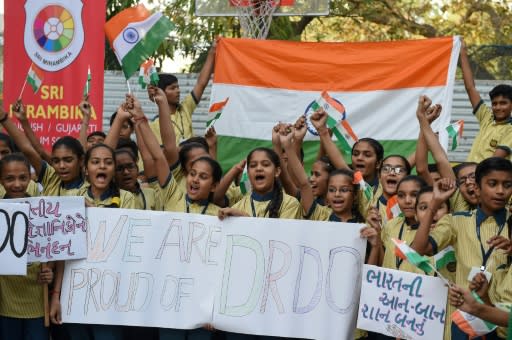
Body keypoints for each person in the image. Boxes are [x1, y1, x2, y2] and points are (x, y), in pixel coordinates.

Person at [412, 157, 512, 340]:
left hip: (504, 324)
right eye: (492, 183)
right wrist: (434, 204)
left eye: (507, 185)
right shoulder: (456, 220)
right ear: (477, 187)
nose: (500, 191)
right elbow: (419, 249)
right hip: (466, 321)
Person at [149, 39, 217, 144]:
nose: (178, 91)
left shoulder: (185, 108)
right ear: (160, 93)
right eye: (172, 88)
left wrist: (212, 51)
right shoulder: (155, 124)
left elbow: (201, 83)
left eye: (178, 87)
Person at [460, 40, 512, 162]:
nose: (498, 107)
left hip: (485, 178)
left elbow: (493, 162)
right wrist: (462, 52)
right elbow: (470, 88)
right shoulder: (487, 118)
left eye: (503, 103)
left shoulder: (510, 129)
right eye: (494, 103)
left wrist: (474, 177)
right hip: (471, 177)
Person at [218, 147, 302, 220]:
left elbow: (280, 237)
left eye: (265, 165)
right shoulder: (236, 208)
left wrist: (244, 217)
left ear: (277, 171)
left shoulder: (290, 204)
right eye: (253, 165)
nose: (258, 168)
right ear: (248, 173)